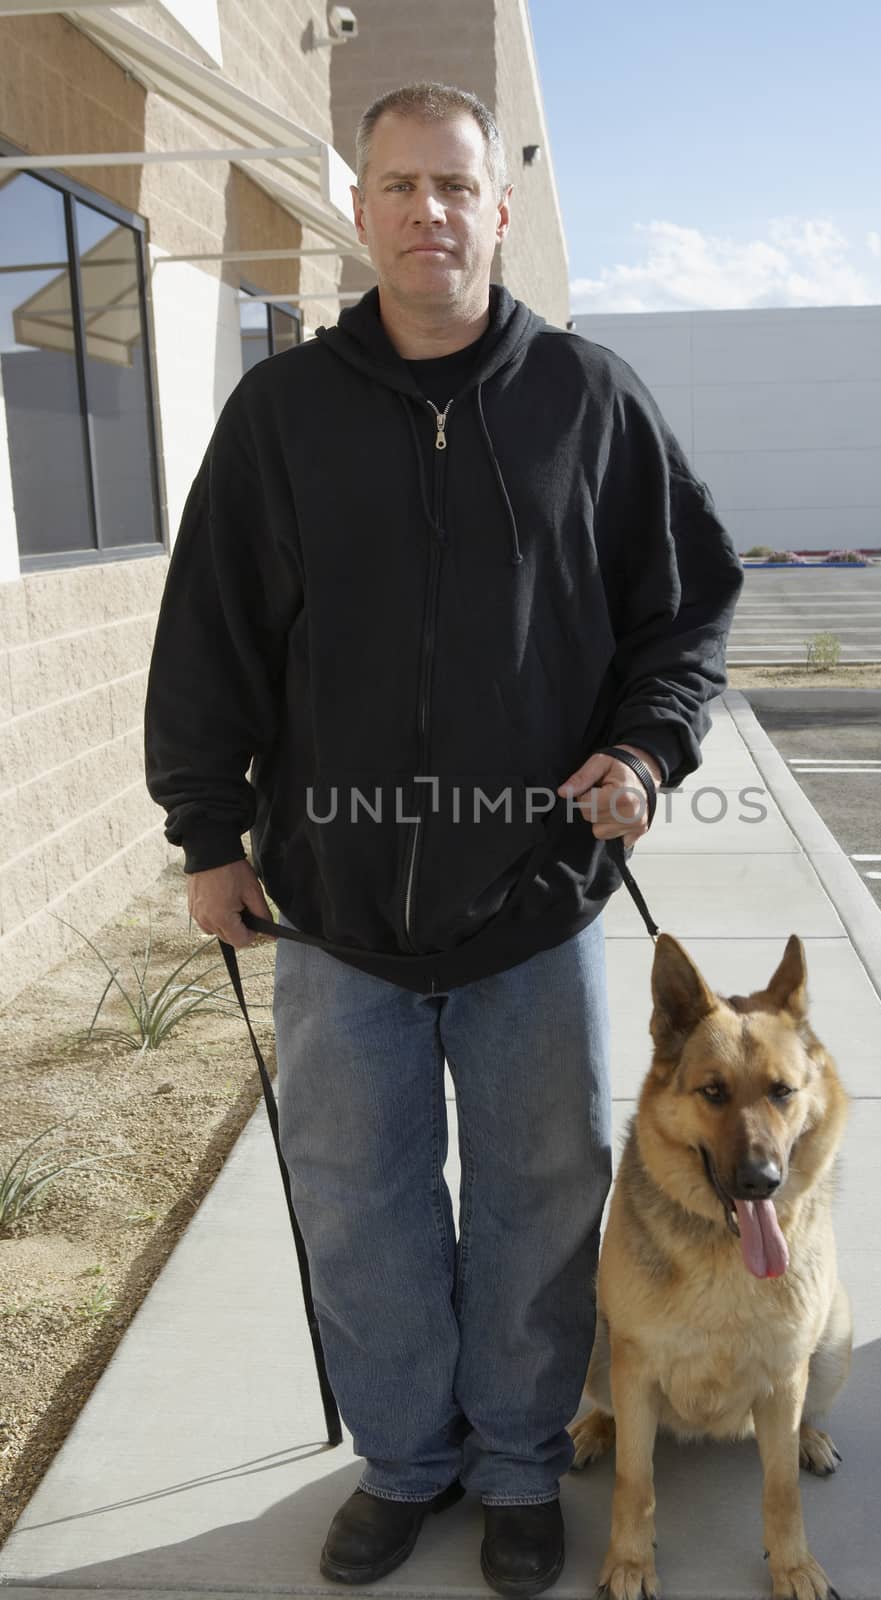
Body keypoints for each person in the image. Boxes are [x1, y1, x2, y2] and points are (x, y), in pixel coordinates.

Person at [144, 80, 743, 1597]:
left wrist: (644, 749)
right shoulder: (282, 416)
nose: (427, 212)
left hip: (532, 904)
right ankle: (407, 1464)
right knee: (360, 1203)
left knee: (543, 1200)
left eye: (453, 187)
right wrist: (209, 832)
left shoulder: (587, 401)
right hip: (335, 911)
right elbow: (208, 633)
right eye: (398, 185)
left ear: (495, 206)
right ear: (360, 209)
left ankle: (519, 1464)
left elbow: (683, 609)